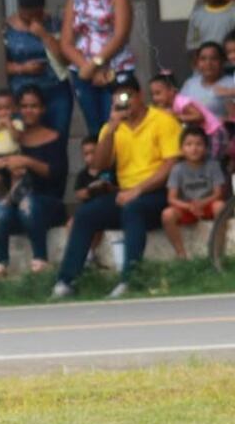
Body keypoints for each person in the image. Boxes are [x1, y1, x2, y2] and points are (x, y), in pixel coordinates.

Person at [52, 72, 180, 300]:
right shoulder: (111, 127)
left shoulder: (162, 120)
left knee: (133, 209)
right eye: (119, 97)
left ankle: (130, 280)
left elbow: (170, 164)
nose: (124, 101)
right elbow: (98, 166)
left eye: (129, 95)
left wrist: (138, 191)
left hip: (157, 192)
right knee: (85, 215)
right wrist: (110, 130)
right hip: (126, 193)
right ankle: (66, 281)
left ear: (140, 95)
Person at [0, 85, 68, 277]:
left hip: (48, 203)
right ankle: (1, 263)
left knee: (29, 204)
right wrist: (3, 162)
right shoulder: (7, 138)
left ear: (43, 109)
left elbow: (56, 173)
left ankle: (40, 260)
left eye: (34, 106)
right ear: (17, 109)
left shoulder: (54, 137)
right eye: (24, 106)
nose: (29, 111)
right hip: (14, 203)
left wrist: (27, 162)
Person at [60, 0, 135, 137]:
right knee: (95, 130)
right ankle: (103, 168)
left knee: (119, 125)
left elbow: (120, 35)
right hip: (84, 74)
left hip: (116, 69)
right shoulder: (74, 1)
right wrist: (88, 69)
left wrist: (96, 64)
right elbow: (66, 43)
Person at [4, 0, 74, 143]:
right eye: (26, 16)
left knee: (57, 141)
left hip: (55, 92)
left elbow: (65, 58)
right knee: (26, 141)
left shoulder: (54, 24)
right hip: (23, 96)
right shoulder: (7, 29)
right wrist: (22, 68)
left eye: (36, 15)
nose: (31, 20)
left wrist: (44, 35)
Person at [161, 125, 227, 259]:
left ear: (206, 148)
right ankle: (181, 255)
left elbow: (218, 193)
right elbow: (171, 198)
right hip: (187, 207)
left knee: (220, 206)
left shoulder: (213, 166)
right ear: (181, 149)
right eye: (189, 144)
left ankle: (217, 252)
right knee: (167, 214)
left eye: (199, 144)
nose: (194, 148)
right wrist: (190, 206)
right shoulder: (177, 169)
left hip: (208, 204)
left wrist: (202, 203)